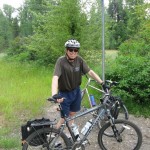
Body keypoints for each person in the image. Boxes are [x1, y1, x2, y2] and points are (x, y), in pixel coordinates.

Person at [51, 39, 105, 132]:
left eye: (75, 50)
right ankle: (54, 135)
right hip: (64, 93)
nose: (73, 52)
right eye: (70, 49)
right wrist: (54, 94)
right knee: (64, 117)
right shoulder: (61, 61)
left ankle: (70, 133)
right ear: (66, 50)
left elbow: (90, 72)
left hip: (76, 91)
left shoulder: (79, 60)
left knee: (73, 113)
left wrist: (102, 83)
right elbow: (55, 77)